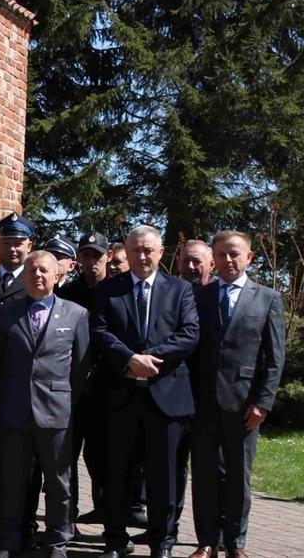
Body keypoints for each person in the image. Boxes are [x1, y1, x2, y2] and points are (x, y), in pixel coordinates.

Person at [93, 226, 199, 558]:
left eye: (148, 250)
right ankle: (114, 539)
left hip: (166, 397)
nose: (142, 256)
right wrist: (129, 359)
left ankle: (161, 542)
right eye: (135, 250)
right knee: (117, 473)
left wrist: (149, 359)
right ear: (126, 252)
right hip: (120, 396)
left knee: (163, 476)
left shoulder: (180, 290)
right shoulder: (108, 289)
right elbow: (99, 330)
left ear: (161, 252)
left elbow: (189, 333)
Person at [0, 250, 91, 558]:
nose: (37, 275)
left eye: (44, 270)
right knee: (12, 481)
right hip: (14, 410)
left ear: (57, 275)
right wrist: (1, 398)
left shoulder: (76, 314)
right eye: (31, 270)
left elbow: (80, 367)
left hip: (56, 411)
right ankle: (10, 541)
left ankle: (57, 542)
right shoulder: (6, 312)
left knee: (59, 483)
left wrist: (65, 399)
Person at [189, 231, 286, 558]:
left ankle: (234, 543)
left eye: (235, 254)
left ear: (249, 257)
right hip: (203, 403)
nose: (228, 260)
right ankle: (206, 542)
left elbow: (274, 358)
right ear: (213, 259)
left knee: (238, 477)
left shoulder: (267, 298)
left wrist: (263, 403)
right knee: (204, 475)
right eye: (221, 254)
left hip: (245, 403)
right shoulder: (199, 296)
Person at [0, 213, 37, 300]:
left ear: (29, 246)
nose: (11, 249)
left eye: (17, 244)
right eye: (6, 243)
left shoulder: (36, 281)